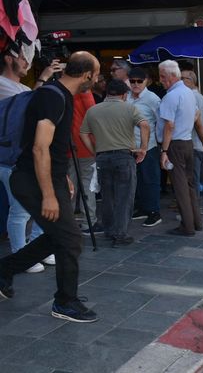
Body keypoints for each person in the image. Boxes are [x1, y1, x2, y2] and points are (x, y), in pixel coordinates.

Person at [0, 51, 101, 323]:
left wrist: (62, 178)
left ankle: (5, 270)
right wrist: (48, 195)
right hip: (32, 180)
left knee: (62, 237)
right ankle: (64, 302)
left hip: (48, 178)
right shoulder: (52, 96)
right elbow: (39, 147)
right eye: (97, 73)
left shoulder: (61, 95)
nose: (97, 78)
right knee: (70, 239)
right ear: (87, 75)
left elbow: (53, 148)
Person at [0, 49, 62, 273]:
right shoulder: (2, 84)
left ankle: (36, 250)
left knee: (36, 206)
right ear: (9, 58)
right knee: (20, 209)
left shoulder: (24, 87)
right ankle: (21, 254)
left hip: (21, 156)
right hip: (8, 157)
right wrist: (44, 78)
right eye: (23, 57)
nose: (27, 62)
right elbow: (28, 107)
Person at [80, 79, 149, 246]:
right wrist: (143, 148)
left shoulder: (93, 110)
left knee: (107, 197)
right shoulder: (130, 108)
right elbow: (145, 125)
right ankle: (120, 235)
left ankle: (109, 230)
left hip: (102, 158)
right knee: (124, 197)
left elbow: (83, 134)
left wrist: (94, 151)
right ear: (124, 95)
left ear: (107, 93)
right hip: (124, 157)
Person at [157, 60, 202, 236]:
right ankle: (196, 222)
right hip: (187, 141)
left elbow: (169, 125)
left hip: (175, 144)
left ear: (171, 76)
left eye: (162, 76)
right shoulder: (189, 93)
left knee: (180, 186)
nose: (160, 80)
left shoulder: (171, 96)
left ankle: (187, 226)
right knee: (190, 184)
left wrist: (165, 151)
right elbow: (197, 114)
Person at [128, 67, 163, 227]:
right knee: (138, 180)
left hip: (148, 147)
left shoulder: (152, 99)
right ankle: (143, 208)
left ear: (146, 81)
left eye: (139, 81)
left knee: (151, 179)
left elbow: (161, 121)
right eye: (132, 81)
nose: (135, 84)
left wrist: (161, 143)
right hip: (130, 147)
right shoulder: (126, 96)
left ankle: (154, 212)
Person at [68, 91, 103, 237]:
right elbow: (94, 117)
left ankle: (67, 222)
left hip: (68, 146)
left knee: (71, 186)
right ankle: (89, 222)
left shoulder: (63, 90)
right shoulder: (84, 92)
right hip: (85, 145)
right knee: (87, 185)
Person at [180, 70, 203, 217]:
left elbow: (197, 122)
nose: (180, 80)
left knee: (193, 180)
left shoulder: (191, 97)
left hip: (193, 144)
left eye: (183, 78)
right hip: (200, 144)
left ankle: (194, 210)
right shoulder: (200, 97)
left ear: (191, 81)